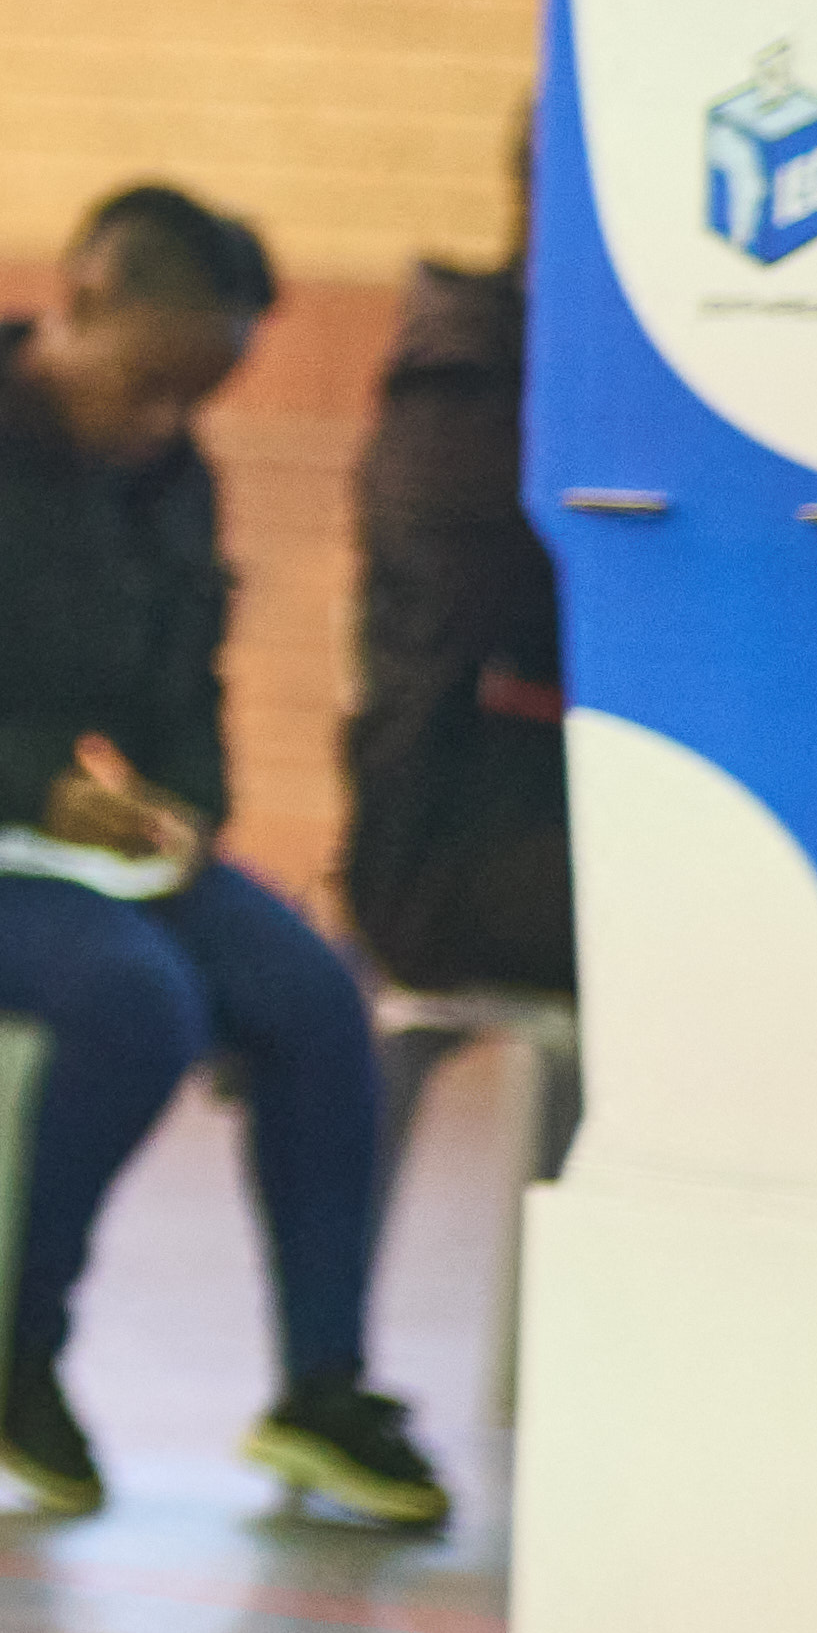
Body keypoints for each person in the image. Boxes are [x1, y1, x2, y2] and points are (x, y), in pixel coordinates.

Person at [0, 179, 446, 1532]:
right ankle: (7, 1353)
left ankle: (321, 1382)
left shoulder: (166, 480)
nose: (162, 425)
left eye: (195, 401)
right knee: (135, 995)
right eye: (145, 388)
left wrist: (185, 805)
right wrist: (23, 786)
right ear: (75, 298)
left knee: (310, 985)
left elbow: (182, 696)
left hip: (55, 859)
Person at [341, 142, 570, 997]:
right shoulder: (466, 393)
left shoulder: (554, 373)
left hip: (557, 804)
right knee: (726, 934)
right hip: (454, 839)